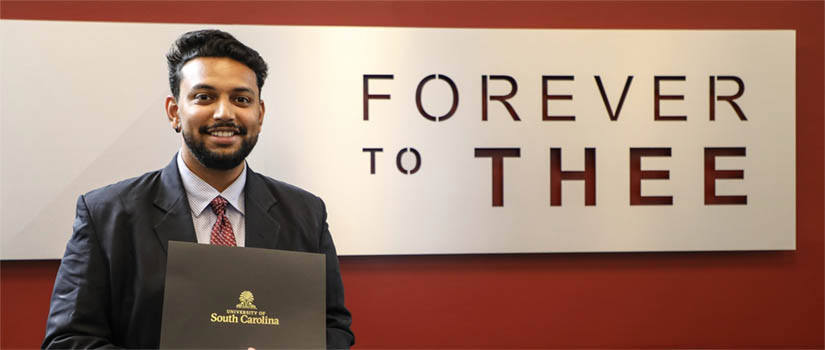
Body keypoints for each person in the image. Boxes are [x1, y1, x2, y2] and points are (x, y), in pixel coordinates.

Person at [42, 29, 354, 349]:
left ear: (259, 114)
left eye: (241, 99)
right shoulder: (106, 215)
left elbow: (332, 327)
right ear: (174, 112)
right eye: (204, 97)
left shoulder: (306, 214)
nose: (224, 113)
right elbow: (68, 341)